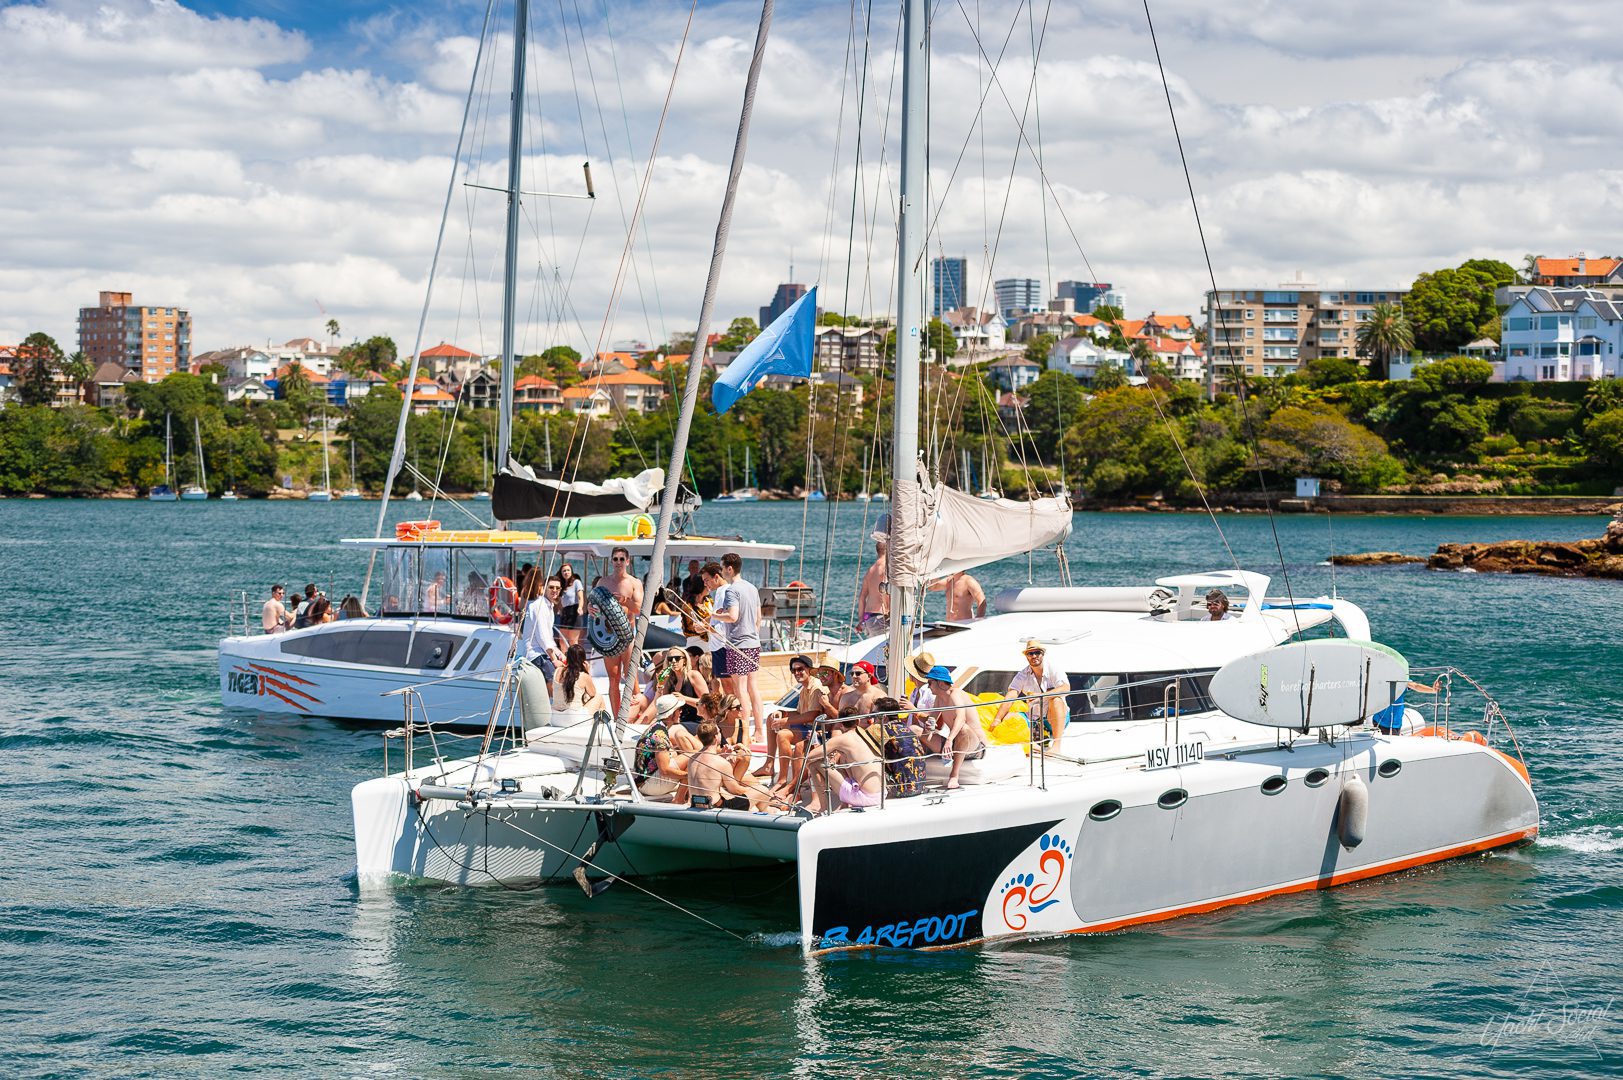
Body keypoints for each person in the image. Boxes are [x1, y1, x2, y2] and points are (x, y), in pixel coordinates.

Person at [711, 552, 765, 745]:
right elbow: (758, 618)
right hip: (753, 643)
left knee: (741, 689)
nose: (721, 571)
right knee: (753, 688)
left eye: (722, 567)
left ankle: (746, 734)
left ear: (729, 568)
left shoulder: (731, 590)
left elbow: (733, 617)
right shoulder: (752, 588)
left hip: (737, 645)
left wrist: (714, 615)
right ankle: (759, 731)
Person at [769, 655, 835, 797]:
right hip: (808, 728)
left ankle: (790, 785)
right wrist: (782, 713)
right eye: (794, 671)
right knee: (771, 719)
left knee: (786, 736)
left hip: (817, 730)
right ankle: (776, 772)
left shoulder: (816, 687)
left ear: (809, 670)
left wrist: (785, 721)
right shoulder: (805, 688)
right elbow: (800, 713)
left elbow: (812, 715)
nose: (797, 673)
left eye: (800, 669)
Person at [994, 638, 1070, 754]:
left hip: (1054, 718)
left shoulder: (1053, 668)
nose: (1034, 656)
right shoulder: (1023, 674)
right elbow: (1012, 694)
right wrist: (997, 719)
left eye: (1037, 652)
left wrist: (1041, 696)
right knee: (1008, 717)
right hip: (1034, 718)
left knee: (1056, 700)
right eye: (1030, 653)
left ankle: (1056, 746)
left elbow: (1065, 688)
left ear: (1042, 654)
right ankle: (1032, 745)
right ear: (1026, 656)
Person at [918, 664, 987, 790]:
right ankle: (915, 769)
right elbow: (932, 718)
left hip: (975, 747)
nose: (928, 686)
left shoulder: (955, 693)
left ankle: (954, 775)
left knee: (964, 729)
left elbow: (961, 718)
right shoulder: (939, 698)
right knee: (915, 730)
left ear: (940, 683)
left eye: (930, 682)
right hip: (956, 743)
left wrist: (949, 740)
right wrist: (929, 726)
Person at [803, 709, 885, 812]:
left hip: (865, 798)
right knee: (843, 760)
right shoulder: (866, 735)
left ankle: (823, 808)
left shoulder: (841, 739)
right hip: (882, 794)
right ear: (858, 721)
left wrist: (817, 747)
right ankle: (844, 805)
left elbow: (810, 757)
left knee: (814, 764)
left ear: (840, 724)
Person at [599, 546, 643, 721]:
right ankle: (617, 719)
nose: (618, 562)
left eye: (621, 559)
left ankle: (637, 716)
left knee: (630, 676)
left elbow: (639, 609)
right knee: (613, 678)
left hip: (627, 633)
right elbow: (593, 604)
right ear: (611, 561)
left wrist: (625, 601)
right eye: (615, 559)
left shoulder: (634, 583)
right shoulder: (603, 582)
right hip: (609, 634)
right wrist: (591, 608)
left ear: (628, 561)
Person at [685, 722, 770, 811]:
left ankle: (767, 810)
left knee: (724, 793)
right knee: (763, 791)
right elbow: (735, 790)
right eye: (719, 731)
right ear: (716, 737)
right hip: (716, 809)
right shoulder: (721, 763)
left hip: (695, 805)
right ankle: (767, 814)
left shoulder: (692, 759)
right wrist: (754, 789)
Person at [631, 695, 689, 802]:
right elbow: (664, 771)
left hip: (642, 782)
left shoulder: (656, 726)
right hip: (649, 786)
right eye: (679, 709)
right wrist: (689, 776)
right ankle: (679, 799)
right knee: (692, 758)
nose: (681, 711)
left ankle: (684, 794)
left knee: (681, 756)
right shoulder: (660, 735)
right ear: (671, 713)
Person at [519, 570, 564, 682]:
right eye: (551, 587)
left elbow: (549, 638)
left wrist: (560, 653)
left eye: (557, 588)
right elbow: (543, 638)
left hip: (543, 652)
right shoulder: (539, 606)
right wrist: (554, 660)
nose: (554, 590)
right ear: (544, 588)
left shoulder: (549, 606)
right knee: (555, 682)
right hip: (535, 654)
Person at [552, 643, 599, 714]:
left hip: (555, 716)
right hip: (574, 717)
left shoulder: (558, 671)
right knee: (598, 697)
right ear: (583, 660)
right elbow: (592, 694)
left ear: (567, 657)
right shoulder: (583, 676)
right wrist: (588, 673)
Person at [857, 539, 888, 634]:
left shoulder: (870, 570)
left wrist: (861, 620)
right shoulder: (886, 567)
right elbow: (885, 591)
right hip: (881, 617)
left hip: (868, 618)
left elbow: (862, 597)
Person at [555, 562, 584, 646]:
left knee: (573, 641)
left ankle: (574, 655)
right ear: (561, 573)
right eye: (564, 571)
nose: (566, 572)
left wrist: (580, 607)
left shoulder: (576, 582)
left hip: (574, 611)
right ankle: (564, 655)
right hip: (565, 613)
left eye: (568, 570)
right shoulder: (562, 585)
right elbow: (559, 601)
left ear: (571, 571)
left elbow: (580, 597)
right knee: (562, 640)